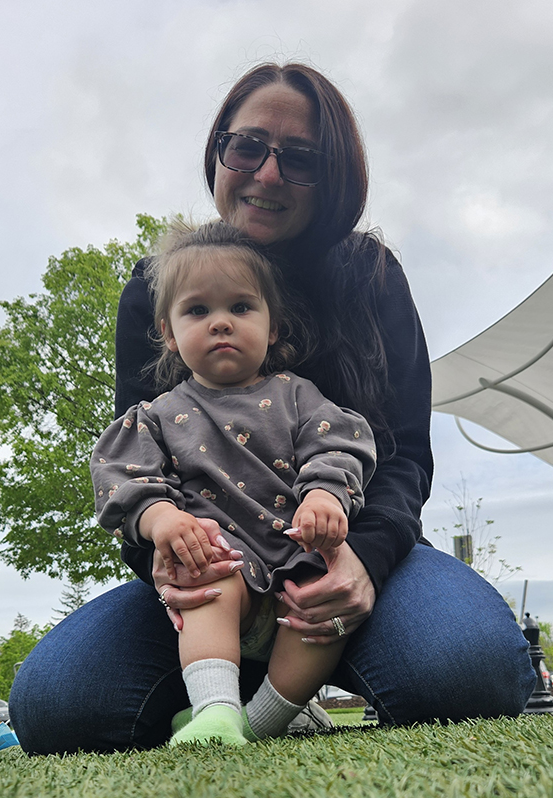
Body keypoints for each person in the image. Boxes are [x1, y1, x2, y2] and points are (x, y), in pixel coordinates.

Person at [9, 62, 534, 755]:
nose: (267, 173)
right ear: (219, 150)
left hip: (346, 556)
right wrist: (164, 556)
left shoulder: (371, 276)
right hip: (216, 574)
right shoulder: (155, 286)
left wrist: (363, 565)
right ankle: (219, 694)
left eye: (301, 158)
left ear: (334, 173)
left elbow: (404, 454)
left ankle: (277, 707)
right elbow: (138, 462)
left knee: (467, 670)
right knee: (56, 707)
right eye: (248, 146)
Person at [91, 221, 376, 745]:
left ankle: (254, 723)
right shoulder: (157, 415)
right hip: (221, 561)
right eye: (198, 311)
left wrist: (324, 494)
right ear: (169, 334)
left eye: (240, 308)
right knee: (205, 585)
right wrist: (164, 521)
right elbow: (125, 480)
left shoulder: (299, 394)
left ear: (272, 327)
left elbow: (338, 444)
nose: (220, 322)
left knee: (321, 613)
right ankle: (217, 709)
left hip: (300, 561)